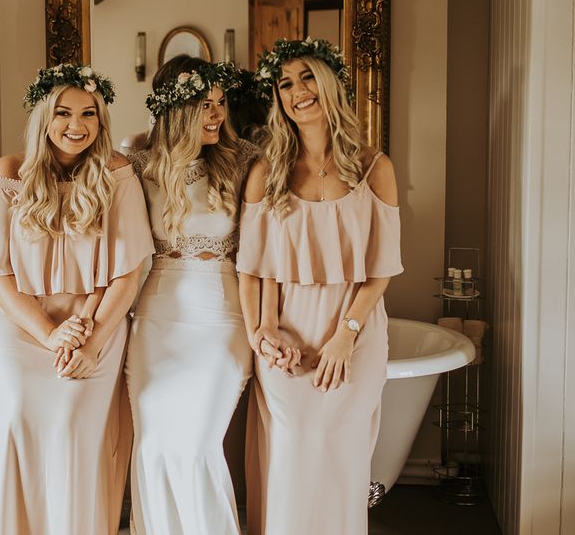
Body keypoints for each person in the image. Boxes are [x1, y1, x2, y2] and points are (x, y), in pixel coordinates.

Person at [0, 63, 154, 535]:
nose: (76, 125)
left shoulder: (117, 172)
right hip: (20, 321)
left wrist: (88, 341)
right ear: (43, 117)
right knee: (14, 411)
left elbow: (128, 275)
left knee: (72, 415)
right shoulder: (8, 173)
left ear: (101, 119)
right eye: (64, 113)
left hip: (96, 320)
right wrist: (50, 334)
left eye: (88, 113)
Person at [237, 38, 404, 535]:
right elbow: (255, 268)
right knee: (293, 453)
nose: (297, 91)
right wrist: (263, 331)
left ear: (330, 83)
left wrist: (346, 334)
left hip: (353, 327)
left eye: (307, 76)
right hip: (287, 330)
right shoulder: (266, 172)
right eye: (284, 83)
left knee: (341, 454)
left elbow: (381, 271)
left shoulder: (376, 168)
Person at [125, 55, 260, 535]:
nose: (217, 115)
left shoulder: (242, 159)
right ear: (175, 108)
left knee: (197, 444)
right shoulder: (137, 161)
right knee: (154, 444)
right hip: (157, 317)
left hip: (223, 315)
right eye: (205, 105)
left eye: (221, 104)